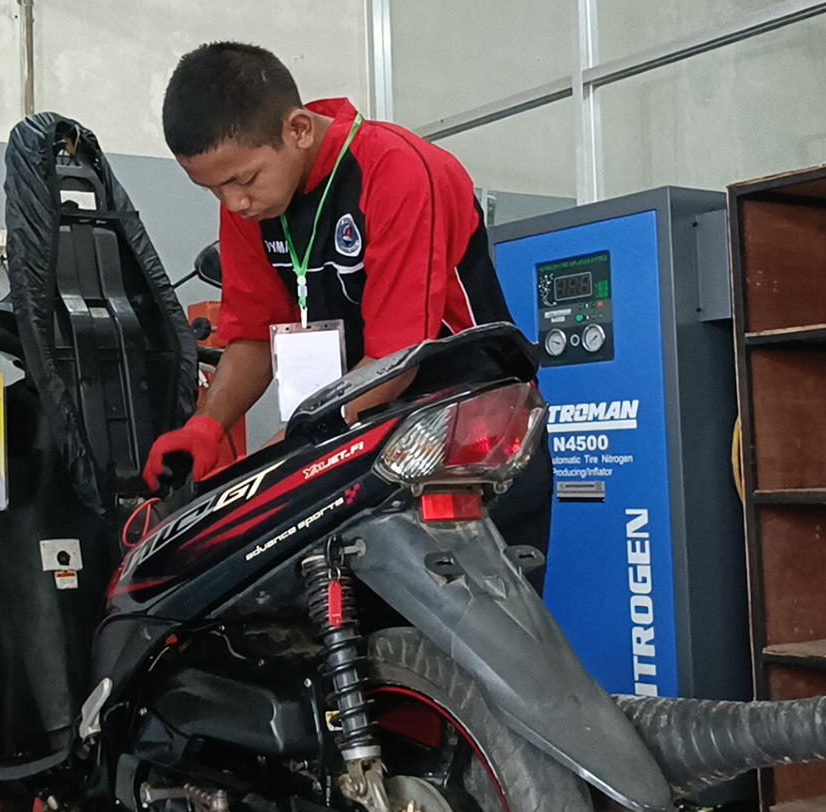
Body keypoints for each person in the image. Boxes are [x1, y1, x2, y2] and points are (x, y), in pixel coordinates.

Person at [142, 41, 551, 570]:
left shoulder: (398, 170)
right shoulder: (252, 208)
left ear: (298, 130)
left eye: (242, 181)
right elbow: (253, 336)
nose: (235, 204)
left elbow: (397, 356)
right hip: (365, 436)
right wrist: (208, 424)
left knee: (463, 643)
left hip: (474, 438)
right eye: (215, 191)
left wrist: (291, 452)